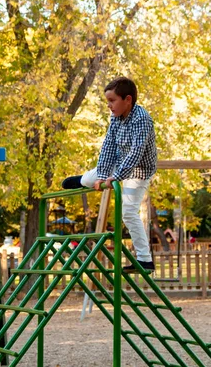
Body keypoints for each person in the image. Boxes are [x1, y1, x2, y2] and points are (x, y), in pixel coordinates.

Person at [61, 77, 157, 273]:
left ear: (127, 99)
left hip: (138, 171)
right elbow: (108, 146)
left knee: (129, 211)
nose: (109, 106)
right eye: (108, 101)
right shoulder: (115, 117)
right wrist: (103, 175)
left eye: (112, 101)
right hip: (119, 163)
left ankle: (145, 260)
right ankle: (82, 179)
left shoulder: (142, 119)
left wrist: (117, 176)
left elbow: (136, 152)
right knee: (91, 179)